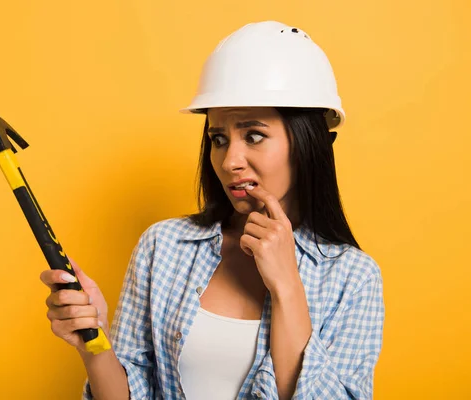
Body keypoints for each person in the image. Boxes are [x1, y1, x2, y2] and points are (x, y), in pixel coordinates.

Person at [40, 21, 385, 400]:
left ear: (307, 144)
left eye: (254, 135)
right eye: (218, 139)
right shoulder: (165, 246)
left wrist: (287, 285)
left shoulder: (353, 278)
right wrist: (95, 342)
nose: (229, 161)